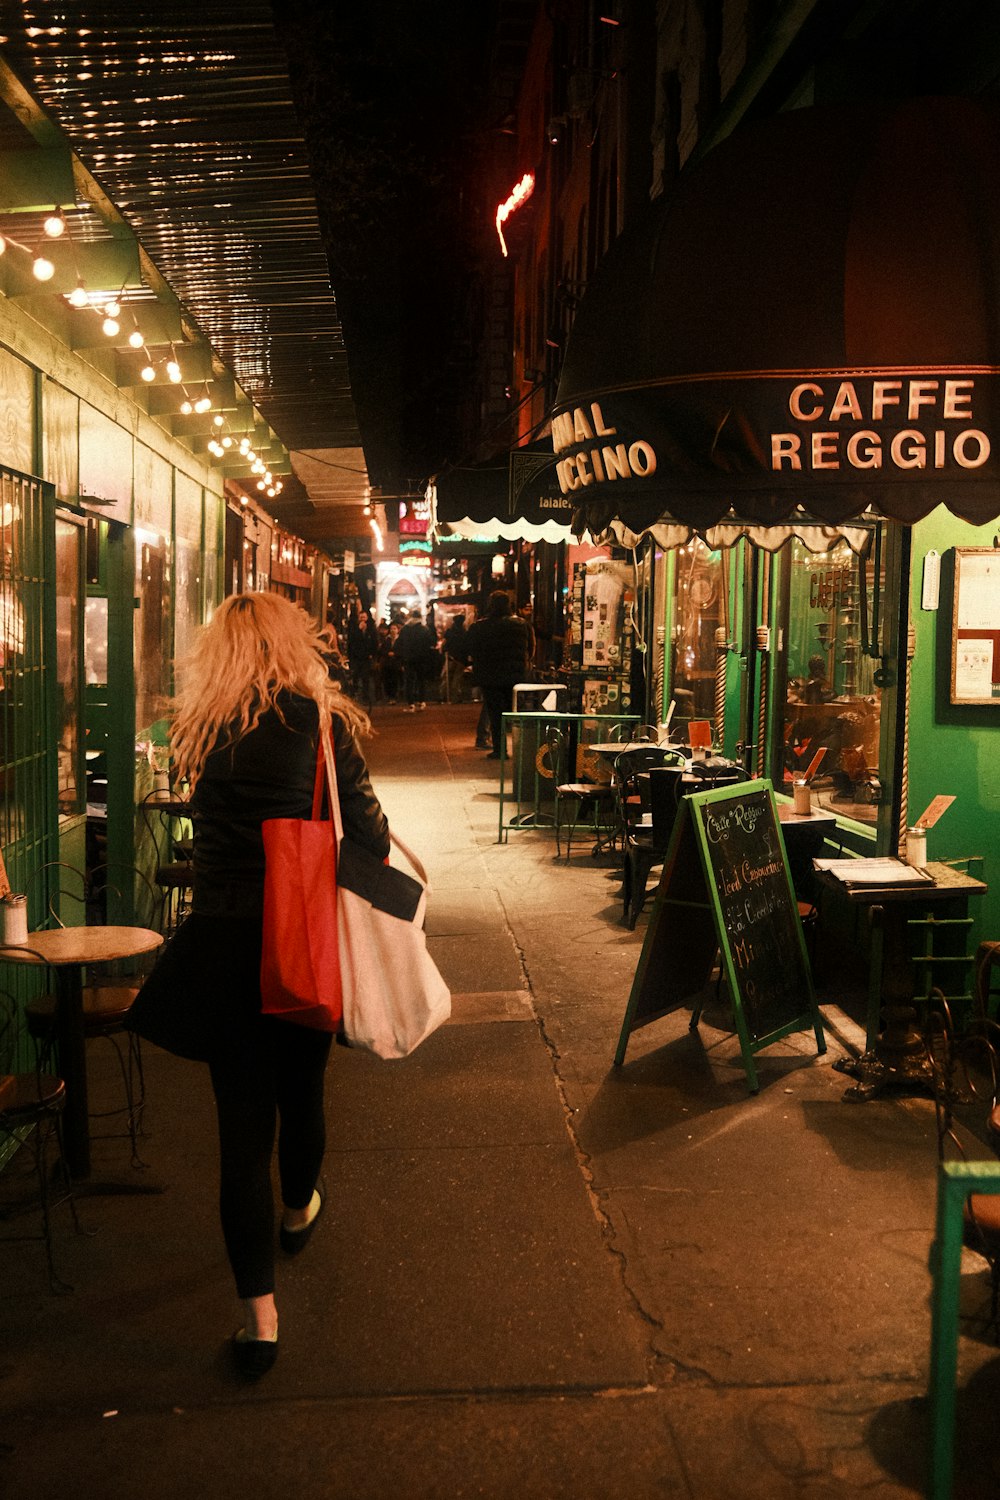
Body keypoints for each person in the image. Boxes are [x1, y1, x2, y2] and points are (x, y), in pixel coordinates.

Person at [137, 592, 389, 1377]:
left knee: (240, 1136)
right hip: (300, 943)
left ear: (218, 649)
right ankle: (298, 1208)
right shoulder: (320, 725)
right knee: (303, 1093)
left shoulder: (201, 729)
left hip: (220, 948)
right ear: (292, 642)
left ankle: (260, 1321)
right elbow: (372, 840)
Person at [466, 589, 530, 758]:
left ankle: (500, 750)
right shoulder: (521, 624)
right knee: (516, 712)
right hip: (514, 676)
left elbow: (471, 649)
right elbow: (529, 649)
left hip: (490, 676)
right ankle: (524, 749)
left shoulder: (479, 626)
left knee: (495, 714)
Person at [395, 610, 437, 710]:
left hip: (408, 659)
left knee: (409, 681)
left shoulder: (405, 629)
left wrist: (402, 656)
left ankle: (411, 703)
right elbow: (431, 642)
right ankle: (421, 701)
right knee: (421, 680)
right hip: (421, 658)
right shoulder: (424, 629)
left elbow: (399, 644)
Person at [346, 609, 378, 709]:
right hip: (356, 657)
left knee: (365, 678)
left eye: (364, 617)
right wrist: (359, 631)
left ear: (367, 618)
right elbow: (351, 642)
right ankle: (355, 695)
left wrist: (372, 654)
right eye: (361, 618)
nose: (362, 620)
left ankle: (365, 697)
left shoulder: (371, 630)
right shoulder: (354, 629)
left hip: (366, 658)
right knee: (355, 676)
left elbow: (374, 642)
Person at [443, 613, 470, 703]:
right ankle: (455, 697)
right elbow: (466, 646)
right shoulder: (464, 633)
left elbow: (445, 644)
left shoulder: (449, 632)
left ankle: (444, 695)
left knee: (447, 677)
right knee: (457, 678)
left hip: (450, 657)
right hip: (461, 658)